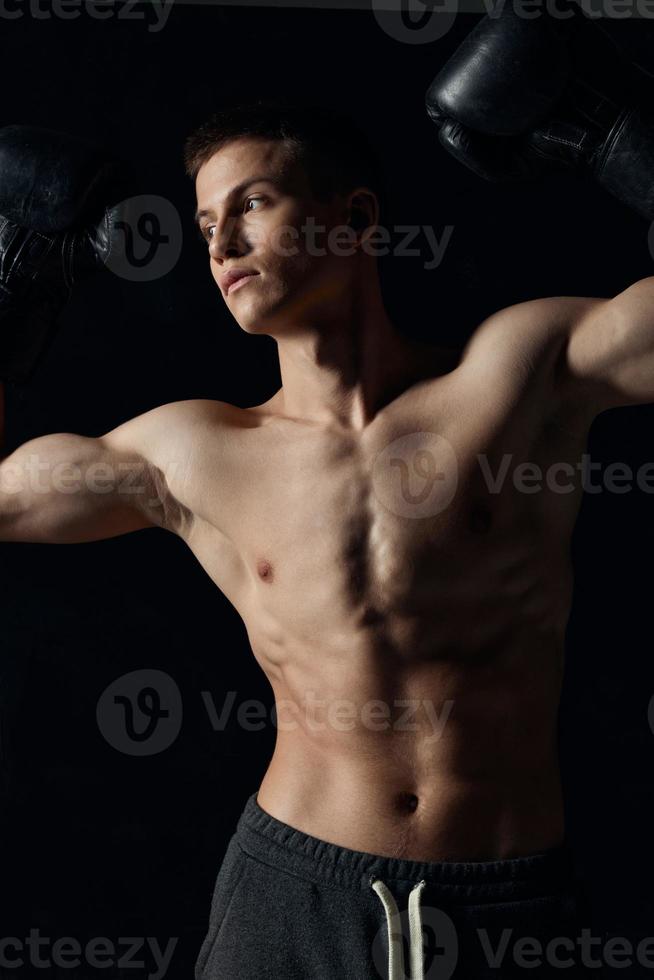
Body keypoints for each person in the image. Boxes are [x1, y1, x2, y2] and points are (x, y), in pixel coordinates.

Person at [2, 12, 653, 973]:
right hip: (290, 899)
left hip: (508, 906)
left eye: (252, 203)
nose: (221, 240)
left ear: (355, 217)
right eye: (207, 222)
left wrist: (618, 133)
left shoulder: (520, 375)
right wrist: (9, 293)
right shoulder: (195, 451)